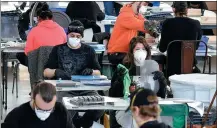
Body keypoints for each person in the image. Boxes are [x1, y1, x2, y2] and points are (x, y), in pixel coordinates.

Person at [43, 20, 104, 128]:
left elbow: (98, 72)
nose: (75, 38)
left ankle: (82, 123)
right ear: (67, 35)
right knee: (62, 108)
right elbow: (46, 72)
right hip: (65, 90)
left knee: (100, 105)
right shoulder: (58, 50)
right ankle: (70, 124)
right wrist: (56, 71)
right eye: (72, 35)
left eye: (78, 36)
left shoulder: (89, 51)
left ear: (81, 37)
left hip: (87, 89)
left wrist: (91, 71)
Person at [158, 1, 202, 77]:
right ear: (187, 10)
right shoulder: (196, 23)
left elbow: (162, 49)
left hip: (172, 69)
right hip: (190, 67)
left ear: (173, 10)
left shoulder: (167, 23)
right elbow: (196, 47)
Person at [3, 82, 74, 128]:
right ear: (32, 98)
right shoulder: (16, 116)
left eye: (49, 110)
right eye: (40, 109)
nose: (45, 113)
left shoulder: (61, 111)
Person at [107, 2, 159, 66]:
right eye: (145, 4)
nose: (145, 7)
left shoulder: (136, 15)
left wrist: (155, 34)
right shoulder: (125, 15)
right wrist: (161, 25)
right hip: (118, 54)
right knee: (142, 59)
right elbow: (144, 25)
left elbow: (148, 27)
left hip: (127, 51)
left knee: (147, 56)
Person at [20, 3, 66, 67]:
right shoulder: (61, 30)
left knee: (20, 55)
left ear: (38, 18)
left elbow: (28, 52)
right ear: (52, 17)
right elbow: (64, 49)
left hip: (39, 65)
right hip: (56, 64)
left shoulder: (34, 31)